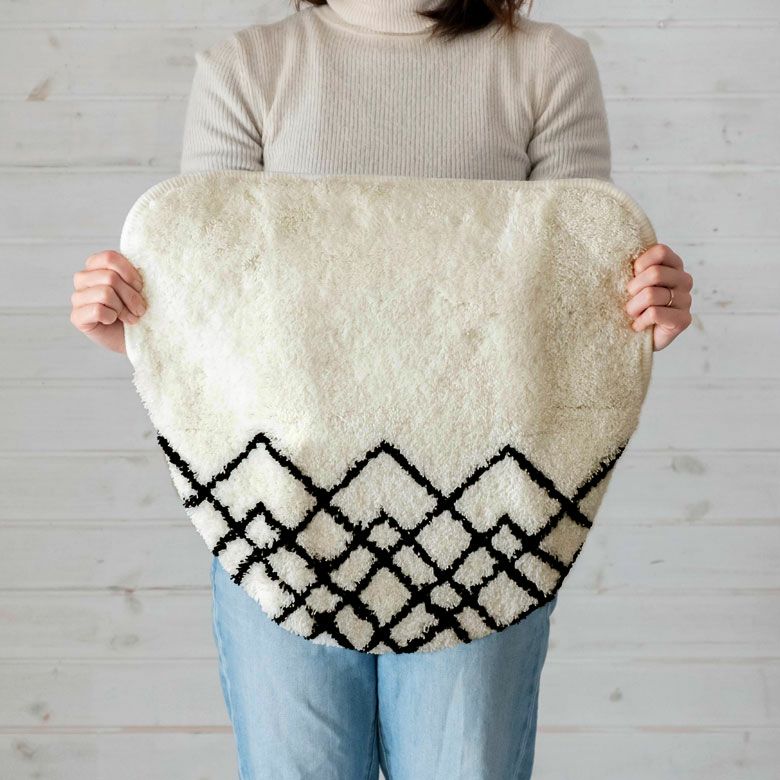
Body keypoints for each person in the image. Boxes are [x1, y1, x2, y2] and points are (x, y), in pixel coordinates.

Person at [69, 1, 694, 777]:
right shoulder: (248, 69)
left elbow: (572, 307)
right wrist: (135, 329)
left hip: (487, 517)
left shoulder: (542, 66)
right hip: (275, 511)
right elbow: (215, 306)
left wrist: (638, 316)